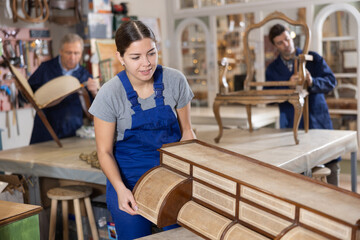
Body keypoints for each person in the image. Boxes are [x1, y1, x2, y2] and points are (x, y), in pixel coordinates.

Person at [89, 20, 196, 239]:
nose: (146, 63)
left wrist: (188, 178)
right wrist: (120, 189)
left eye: (151, 53)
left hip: (171, 179)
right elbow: (104, 152)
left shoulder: (175, 81)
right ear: (120, 57)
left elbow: (187, 133)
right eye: (135, 57)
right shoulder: (109, 94)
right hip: (129, 183)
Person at [265, 23, 340, 186]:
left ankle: (335, 204)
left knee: (330, 162)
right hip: (291, 127)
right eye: (280, 42)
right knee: (298, 173)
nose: (286, 44)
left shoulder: (313, 58)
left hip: (318, 120)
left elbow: (331, 82)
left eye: (287, 39)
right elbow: (268, 95)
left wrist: (312, 81)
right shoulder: (271, 69)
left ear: (291, 35)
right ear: (275, 45)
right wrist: (287, 84)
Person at [27, 33, 99, 144]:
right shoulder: (45, 68)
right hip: (44, 132)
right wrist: (22, 90)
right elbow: (25, 96)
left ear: (81, 53)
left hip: (72, 134)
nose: (73, 57)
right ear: (60, 51)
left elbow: (95, 111)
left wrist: (95, 92)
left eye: (76, 53)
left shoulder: (85, 76)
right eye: (68, 53)